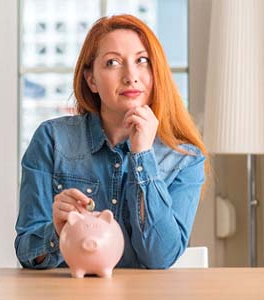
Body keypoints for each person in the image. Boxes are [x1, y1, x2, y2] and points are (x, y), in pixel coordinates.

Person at [15, 14, 208, 269]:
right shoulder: (52, 140)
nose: (131, 76)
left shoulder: (184, 158)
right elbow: (27, 252)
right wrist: (57, 232)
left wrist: (142, 157)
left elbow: (160, 258)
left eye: (142, 61)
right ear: (91, 80)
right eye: (113, 63)